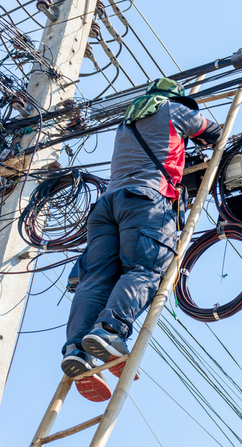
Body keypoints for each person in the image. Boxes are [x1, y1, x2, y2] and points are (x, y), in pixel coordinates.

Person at [60, 78, 222, 401]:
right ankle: (109, 331)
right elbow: (213, 131)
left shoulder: (126, 123)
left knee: (97, 278)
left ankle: (77, 348)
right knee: (145, 269)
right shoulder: (174, 110)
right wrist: (201, 141)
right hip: (146, 201)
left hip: (107, 206)